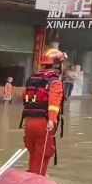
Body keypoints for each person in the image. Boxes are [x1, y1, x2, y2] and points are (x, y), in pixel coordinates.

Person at [21, 47, 66, 176]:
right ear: (56, 64)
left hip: (29, 122)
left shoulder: (33, 78)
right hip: (44, 123)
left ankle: (30, 177)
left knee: (33, 153)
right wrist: (52, 120)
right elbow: (54, 102)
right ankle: (37, 183)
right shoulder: (54, 81)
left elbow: (25, 97)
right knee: (43, 155)